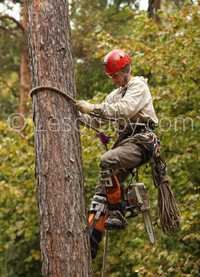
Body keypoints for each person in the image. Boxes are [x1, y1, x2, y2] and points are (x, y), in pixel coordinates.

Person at [76, 49, 159, 259]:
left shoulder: (138, 87)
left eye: (114, 76)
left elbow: (123, 109)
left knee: (107, 160)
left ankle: (117, 212)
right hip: (125, 144)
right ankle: (90, 245)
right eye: (111, 76)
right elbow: (98, 120)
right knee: (99, 196)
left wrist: (91, 107)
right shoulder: (114, 94)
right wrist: (77, 114)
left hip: (141, 143)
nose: (113, 80)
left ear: (124, 71)